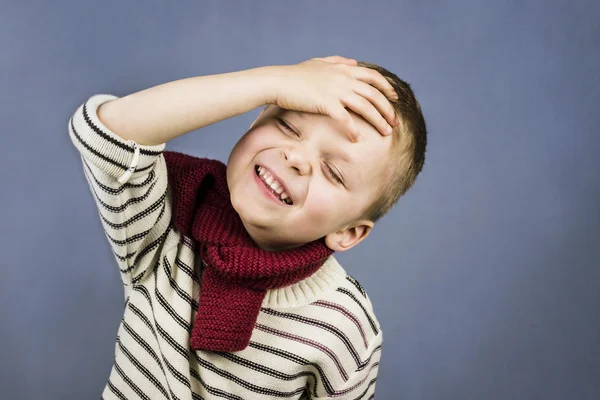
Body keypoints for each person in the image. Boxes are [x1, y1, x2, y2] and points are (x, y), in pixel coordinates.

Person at [68, 55, 427, 399]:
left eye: (333, 172)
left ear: (348, 232)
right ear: (255, 121)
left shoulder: (346, 327)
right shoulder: (167, 219)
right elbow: (103, 134)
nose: (295, 157)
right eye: (287, 125)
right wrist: (272, 81)